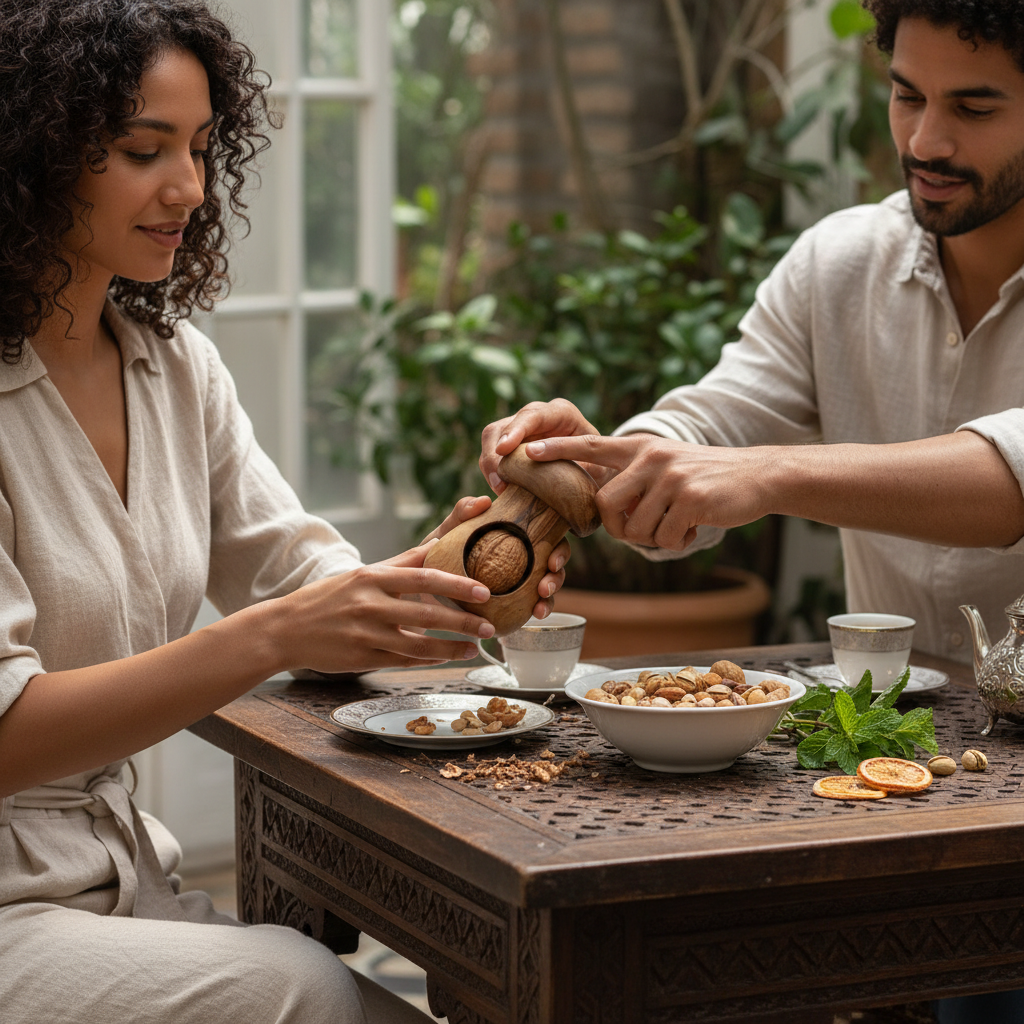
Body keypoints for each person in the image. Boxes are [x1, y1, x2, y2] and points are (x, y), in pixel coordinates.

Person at [0, 2, 567, 1023]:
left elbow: (307, 586)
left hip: (124, 878)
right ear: (30, 153)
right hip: (11, 915)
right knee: (300, 987)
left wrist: (462, 566)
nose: (189, 187)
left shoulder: (174, 372)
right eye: (143, 149)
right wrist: (276, 634)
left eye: (204, 147)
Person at [481, 1, 1024, 1020]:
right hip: (895, 773)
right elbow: (711, 423)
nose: (926, 139)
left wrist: (767, 476)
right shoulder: (841, 263)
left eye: (975, 106)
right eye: (907, 94)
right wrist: (608, 460)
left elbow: (1006, 484)